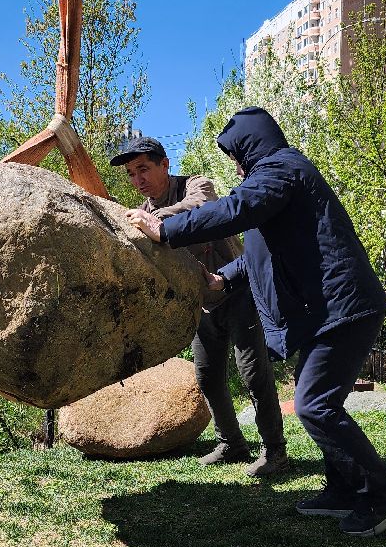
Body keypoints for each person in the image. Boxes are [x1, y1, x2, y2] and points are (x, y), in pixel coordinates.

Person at [125, 108, 386, 537]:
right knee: (313, 399)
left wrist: (165, 231)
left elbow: (235, 209)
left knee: (315, 405)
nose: (236, 166)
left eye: (236, 155)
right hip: (327, 310)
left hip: (344, 307)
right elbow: (256, 251)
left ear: (250, 146)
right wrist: (224, 276)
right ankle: (343, 486)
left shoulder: (283, 169)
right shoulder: (274, 182)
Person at [111, 135, 289, 476]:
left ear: (165, 165)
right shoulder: (143, 214)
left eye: (144, 169)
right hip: (199, 305)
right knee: (207, 376)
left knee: (254, 374)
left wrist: (155, 223)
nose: (138, 180)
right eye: (132, 174)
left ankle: (275, 452)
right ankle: (232, 444)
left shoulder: (196, 185)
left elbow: (201, 207)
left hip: (237, 292)